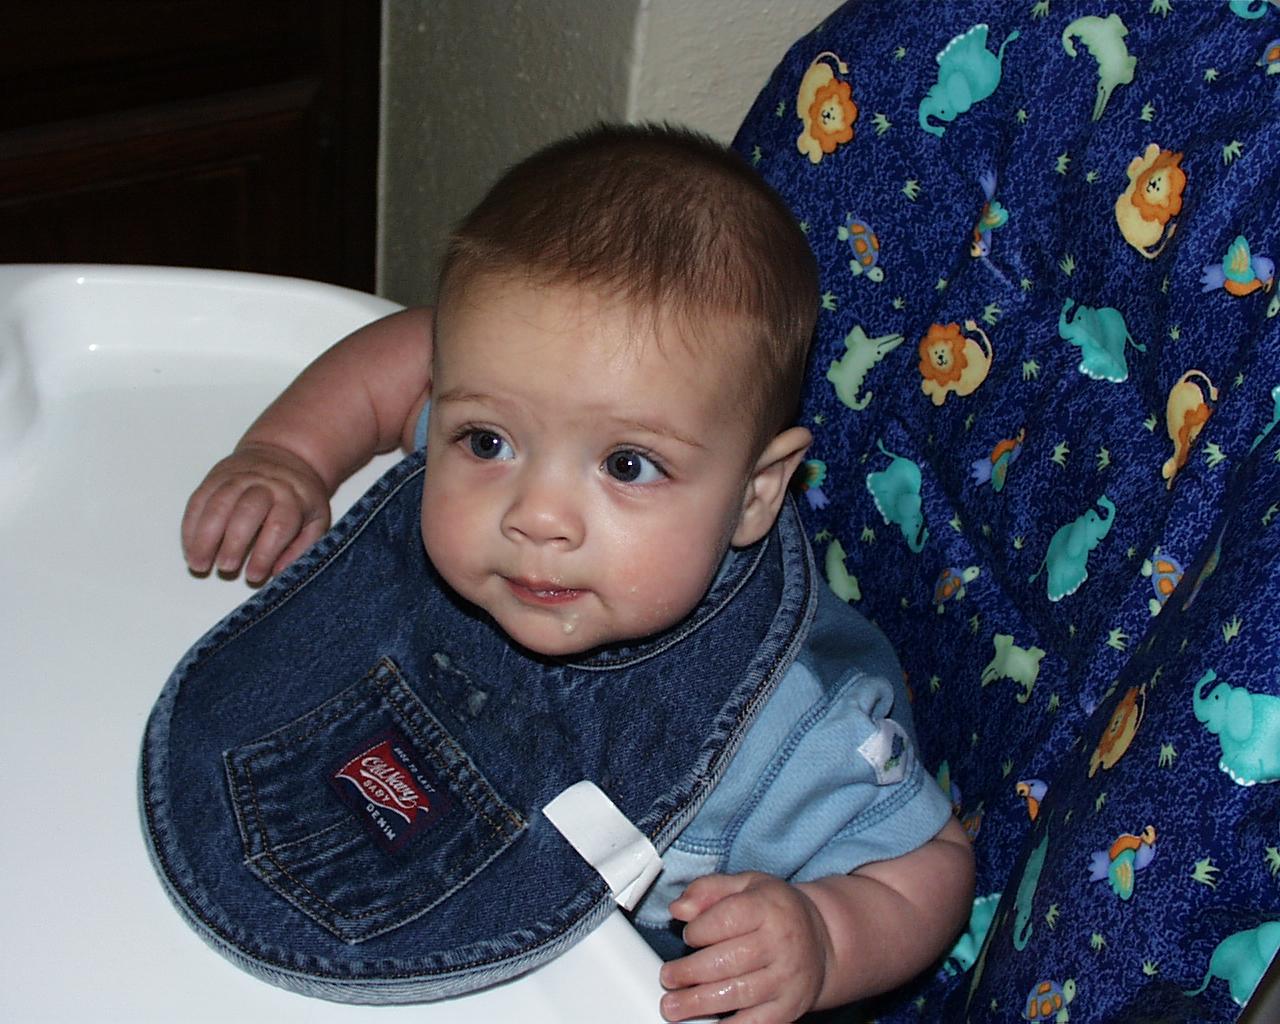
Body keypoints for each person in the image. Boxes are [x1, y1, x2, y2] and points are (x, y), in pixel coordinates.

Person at [181, 123, 973, 1024]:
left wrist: (824, 939)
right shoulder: (518, 414)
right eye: (489, 441)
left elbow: (931, 866)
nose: (536, 515)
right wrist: (288, 454)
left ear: (756, 493)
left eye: (627, 465)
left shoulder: (792, 725)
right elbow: (407, 352)